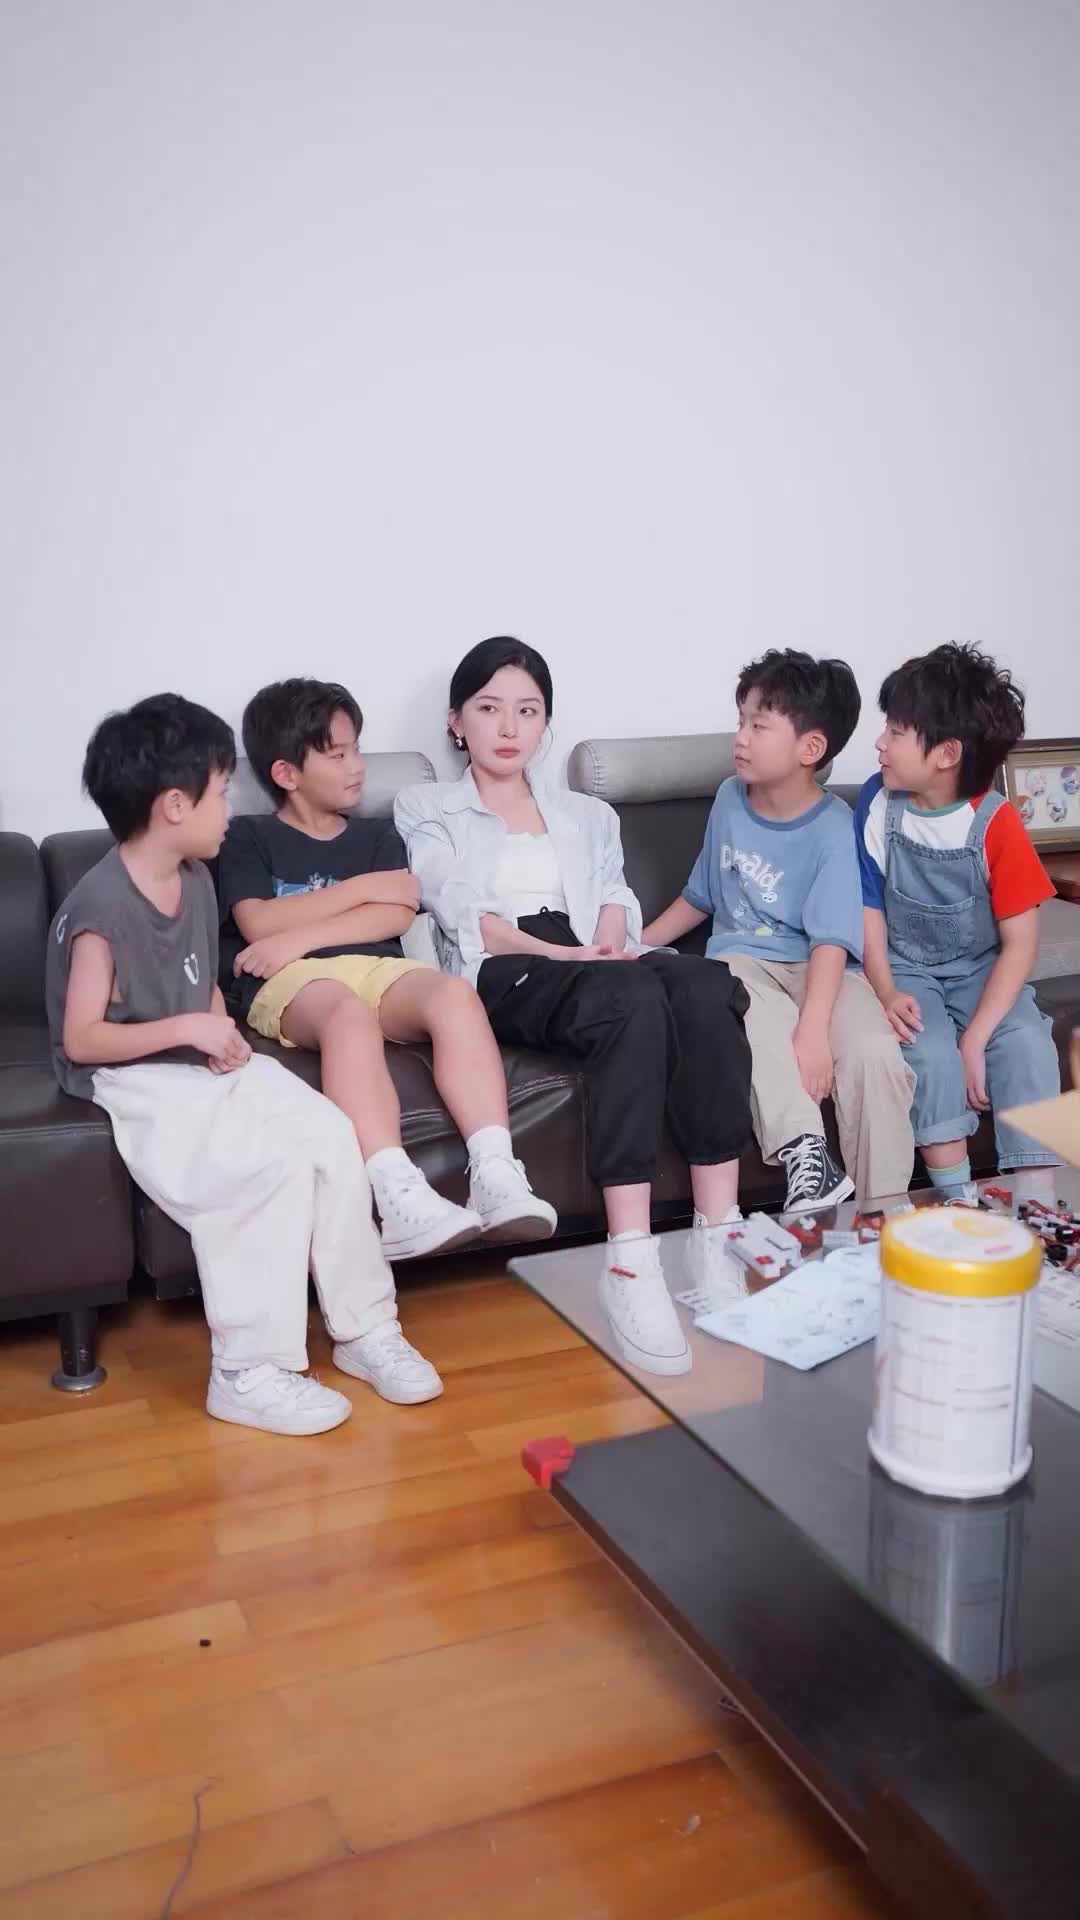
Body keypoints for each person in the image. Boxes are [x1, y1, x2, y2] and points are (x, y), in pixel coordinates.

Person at [46, 692, 441, 1435]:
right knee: (264, 1169)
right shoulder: (101, 907)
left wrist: (218, 1029)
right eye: (222, 791)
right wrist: (192, 1028)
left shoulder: (195, 876)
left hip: (195, 1055)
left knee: (329, 1134)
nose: (231, 807)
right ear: (173, 805)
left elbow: (198, 980)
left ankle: (365, 1328)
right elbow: (83, 1040)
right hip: (130, 1073)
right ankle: (246, 1371)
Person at [394, 636, 755, 1378]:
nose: (509, 727)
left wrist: (610, 942)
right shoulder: (427, 806)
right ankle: (629, 1260)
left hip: (593, 956)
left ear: (545, 723)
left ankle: (717, 1235)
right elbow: (461, 909)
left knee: (705, 985)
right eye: (489, 708)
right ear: (457, 721)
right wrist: (568, 957)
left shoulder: (588, 813)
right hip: (506, 966)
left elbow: (614, 892)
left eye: (528, 711)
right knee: (629, 996)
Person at [217, 678, 556, 1271]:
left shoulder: (377, 834)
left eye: (357, 750)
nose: (357, 767)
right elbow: (258, 920)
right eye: (337, 755)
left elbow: (398, 908)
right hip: (292, 980)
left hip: (374, 966)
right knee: (347, 1015)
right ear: (286, 773)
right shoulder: (249, 836)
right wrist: (362, 893)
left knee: (452, 995)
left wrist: (301, 931)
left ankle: (495, 1173)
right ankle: (395, 1196)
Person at [644, 650, 915, 1209]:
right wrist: (635, 943)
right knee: (737, 993)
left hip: (822, 967)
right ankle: (806, 1155)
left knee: (873, 1054)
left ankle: (885, 1212)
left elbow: (832, 941)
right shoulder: (729, 798)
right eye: (740, 720)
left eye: (758, 726)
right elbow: (701, 895)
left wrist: (814, 1030)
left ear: (810, 749)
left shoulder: (835, 826)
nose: (740, 738)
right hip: (744, 961)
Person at [856, 642, 1061, 1198]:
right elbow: (868, 909)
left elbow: (1020, 944)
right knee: (927, 1051)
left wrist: (978, 1038)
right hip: (906, 968)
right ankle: (958, 1200)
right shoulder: (878, 803)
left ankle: (1037, 1202)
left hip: (981, 972)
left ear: (946, 754)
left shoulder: (997, 824)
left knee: (1026, 1043)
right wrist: (886, 990)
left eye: (895, 731)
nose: (879, 742)